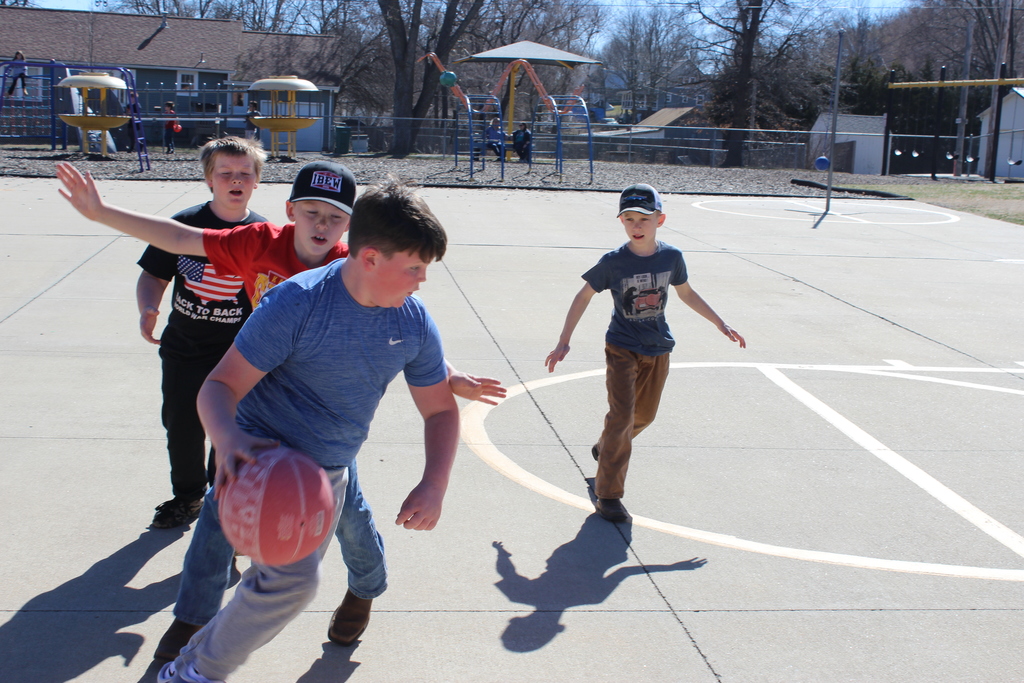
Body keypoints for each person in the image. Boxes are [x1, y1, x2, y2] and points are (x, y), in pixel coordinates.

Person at [55, 160, 505, 662]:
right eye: (310, 212)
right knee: (215, 529)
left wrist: (438, 457)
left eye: (334, 217)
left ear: (350, 228)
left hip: (332, 450)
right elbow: (182, 243)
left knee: (355, 531)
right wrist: (227, 442)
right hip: (263, 433)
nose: (424, 280)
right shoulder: (286, 283)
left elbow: (419, 368)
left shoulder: (397, 300)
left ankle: (364, 591)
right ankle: (192, 626)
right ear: (292, 212)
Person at [177, 176, 456, 682]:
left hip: (326, 472)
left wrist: (434, 482)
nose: (422, 279)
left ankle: (191, 659)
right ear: (370, 259)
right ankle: (196, 671)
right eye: (414, 267)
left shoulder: (412, 322)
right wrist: (228, 440)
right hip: (263, 461)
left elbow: (440, 410)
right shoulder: (297, 304)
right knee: (291, 582)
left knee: (282, 580)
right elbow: (218, 386)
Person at [545, 184, 745, 523]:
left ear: (660, 220)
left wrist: (719, 323)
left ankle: (606, 446)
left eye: (644, 219)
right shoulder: (613, 262)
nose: (636, 226)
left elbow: (687, 293)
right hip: (622, 347)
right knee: (622, 417)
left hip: (658, 347)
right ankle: (608, 495)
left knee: (644, 416)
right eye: (629, 219)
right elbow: (582, 296)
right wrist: (564, 340)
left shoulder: (672, 257)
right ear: (622, 221)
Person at [137, 137, 268, 529]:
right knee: (181, 425)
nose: (235, 180)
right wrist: (148, 306)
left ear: (257, 180)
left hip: (238, 355)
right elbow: (153, 273)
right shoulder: (183, 226)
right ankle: (188, 495)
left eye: (245, 173)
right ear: (209, 179)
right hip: (184, 348)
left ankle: (220, 497)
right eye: (225, 173)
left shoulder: (263, 234)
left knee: (228, 430)